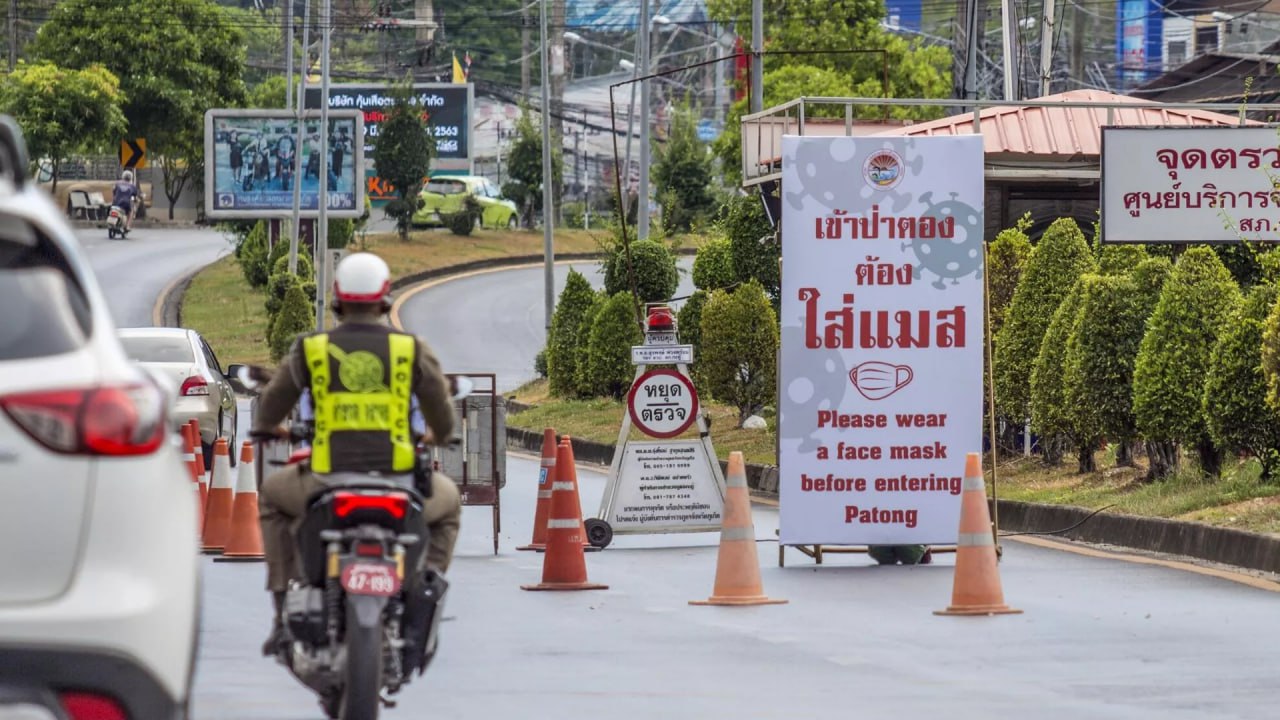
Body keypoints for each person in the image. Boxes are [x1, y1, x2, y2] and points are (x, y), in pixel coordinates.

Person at [250, 251, 462, 656]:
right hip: (400, 482)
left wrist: (268, 428)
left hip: (325, 481)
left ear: (337, 298)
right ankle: (423, 590)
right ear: (385, 297)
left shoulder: (312, 348)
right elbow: (442, 413)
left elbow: (272, 404)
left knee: (273, 498)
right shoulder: (409, 348)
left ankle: (282, 609)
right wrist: (439, 435)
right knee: (449, 505)